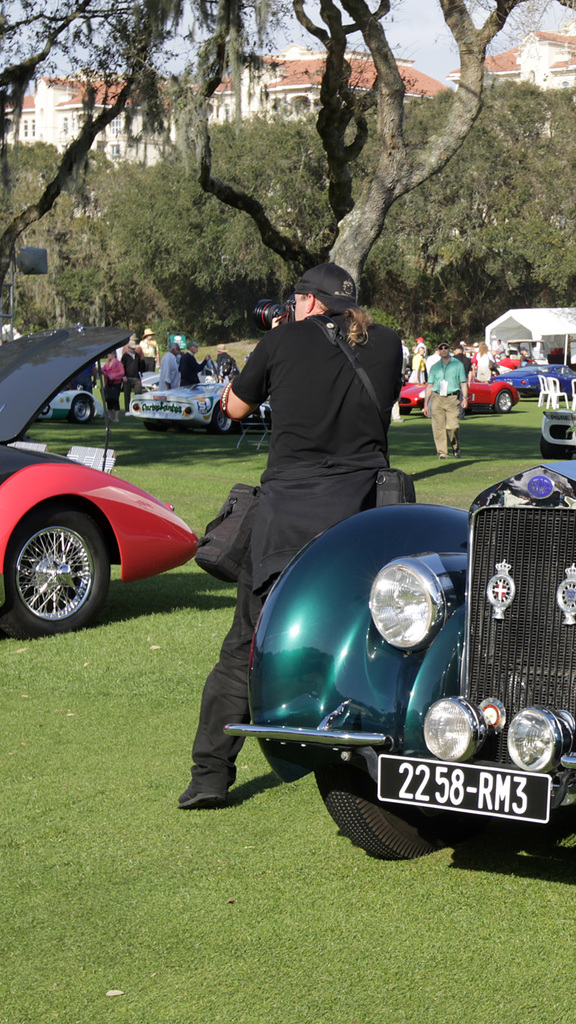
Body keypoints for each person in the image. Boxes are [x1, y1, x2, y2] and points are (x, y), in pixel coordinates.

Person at [179, 262, 402, 810]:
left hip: (289, 513)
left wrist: (275, 343)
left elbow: (233, 407)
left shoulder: (282, 341)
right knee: (377, 641)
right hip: (364, 515)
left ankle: (210, 775)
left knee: (245, 647)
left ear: (305, 301)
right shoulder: (389, 343)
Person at [426, 340, 468, 458]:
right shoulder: (434, 367)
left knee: (453, 426)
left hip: (452, 398)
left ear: (449, 349)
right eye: (441, 348)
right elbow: (429, 386)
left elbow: (463, 383)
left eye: (446, 347)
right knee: (438, 427)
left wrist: (465, 398)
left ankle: (455, 446)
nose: (444, 350)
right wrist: (425, 404)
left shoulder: (457, 364)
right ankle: (442, 453)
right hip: (437, 398)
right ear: (438, 351)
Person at [101, 346, 126, 421]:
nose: (108, 355)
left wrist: (112, 376)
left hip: (116, 383)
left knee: (115, 399)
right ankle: (109, 416)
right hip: (108, 384)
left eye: (109, 354)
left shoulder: (118, 363)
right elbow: (103, 370)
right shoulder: (107, 364)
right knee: (109, 400)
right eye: (107, 354)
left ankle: (116, 417)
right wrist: (107, 374)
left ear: (114, 354)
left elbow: (121, 373)